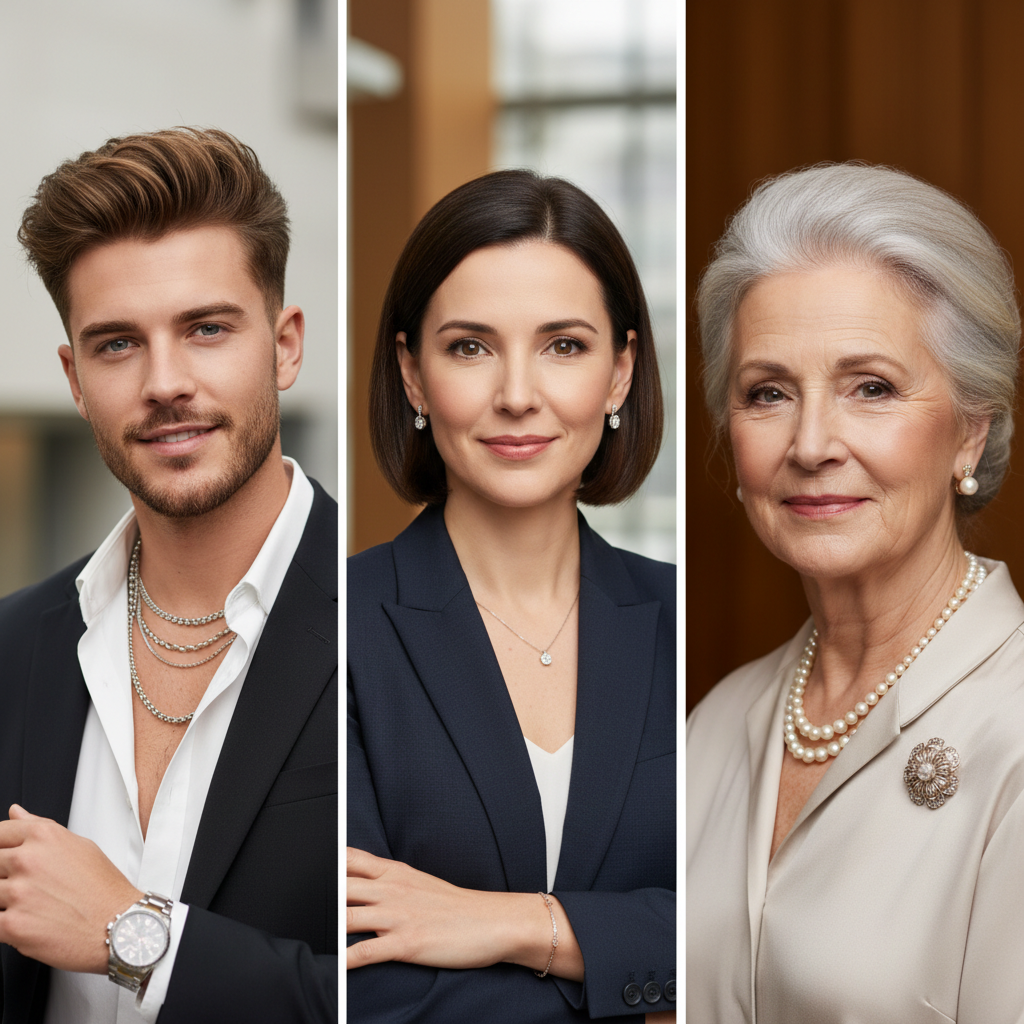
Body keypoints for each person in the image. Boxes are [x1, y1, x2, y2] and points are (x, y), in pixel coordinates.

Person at [0, 128, 337, 1023]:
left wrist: (132, 933)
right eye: (117, 345)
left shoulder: (410, 624)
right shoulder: (15, 646)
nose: (165, 382)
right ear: (75, 379)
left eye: (207, 328)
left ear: (286, 344)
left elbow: (445, 1000)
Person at [687, 162, 1024, 1023]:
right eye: (768, 394)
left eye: (870, 388)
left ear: (970, 432)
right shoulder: (718, 720)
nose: (810, 443)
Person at [347, 169, 676, 1022]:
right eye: (470, 347)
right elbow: (361, 977)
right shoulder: (330, 625)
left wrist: (513, 926)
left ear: (621, 371)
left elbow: (741, 927)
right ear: (413, 375)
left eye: (564, 345)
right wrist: (616, 955)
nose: (518, 395)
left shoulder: (685, 622)